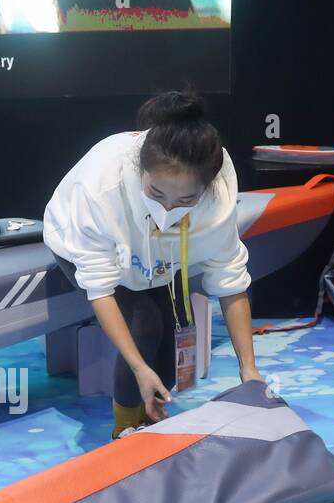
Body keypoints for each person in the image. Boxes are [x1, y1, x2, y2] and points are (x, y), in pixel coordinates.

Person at [43, 90, 261, 438]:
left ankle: (153, 419)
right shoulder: (100, 191)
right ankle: (124, 430)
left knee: (170, 341)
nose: (169, 209)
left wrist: (249, 369)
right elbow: (101, 289)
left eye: (186, 199)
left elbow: (231, 283)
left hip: (159, 256)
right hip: (79, 241)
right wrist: (138, 369)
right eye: (156, 194)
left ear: (205, 190)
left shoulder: (217, 197)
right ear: (141, 172)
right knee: (143, 324)